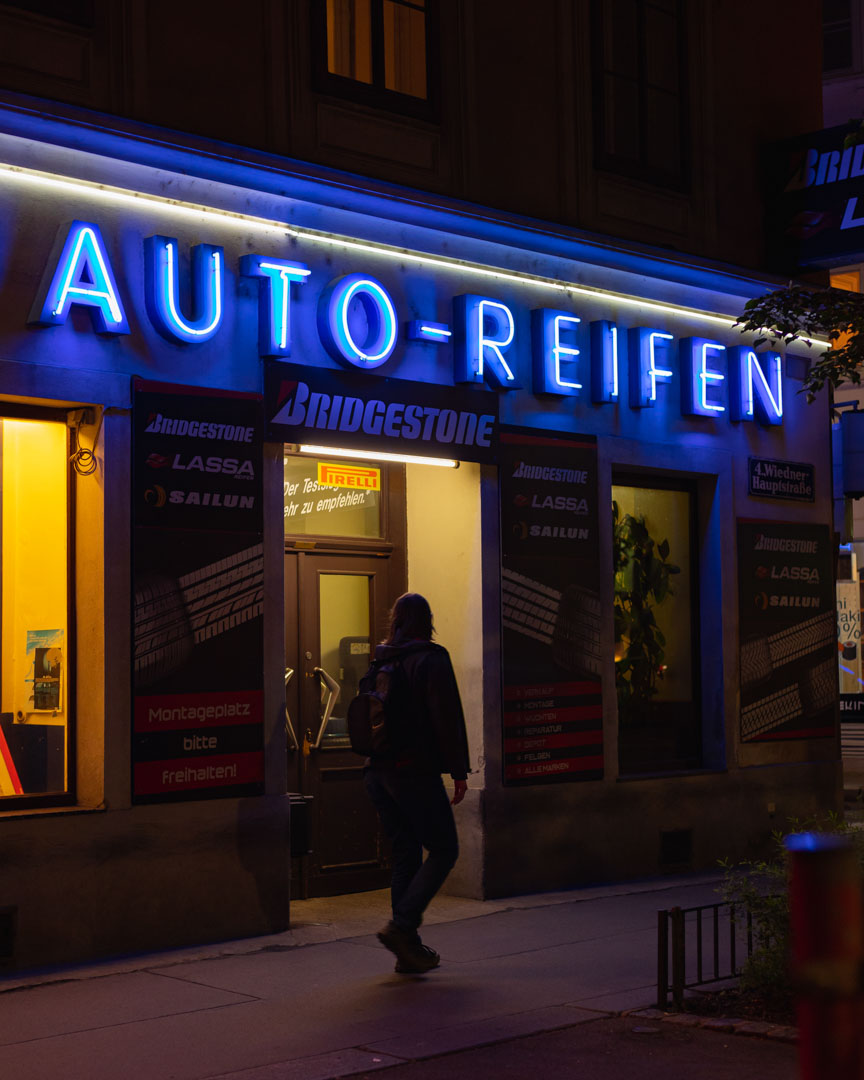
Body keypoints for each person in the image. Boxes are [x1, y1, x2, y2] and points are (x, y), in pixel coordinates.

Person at [364, 592, 470, 975]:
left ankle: (406, 950)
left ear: (395, 620)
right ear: (428, 620)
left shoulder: (381, 658)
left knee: (406, 852)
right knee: (444, 849)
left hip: (377, 772)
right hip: (412, 772)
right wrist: (458, 771)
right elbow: (446, 717)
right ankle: (402, 926)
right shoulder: (431, 658)